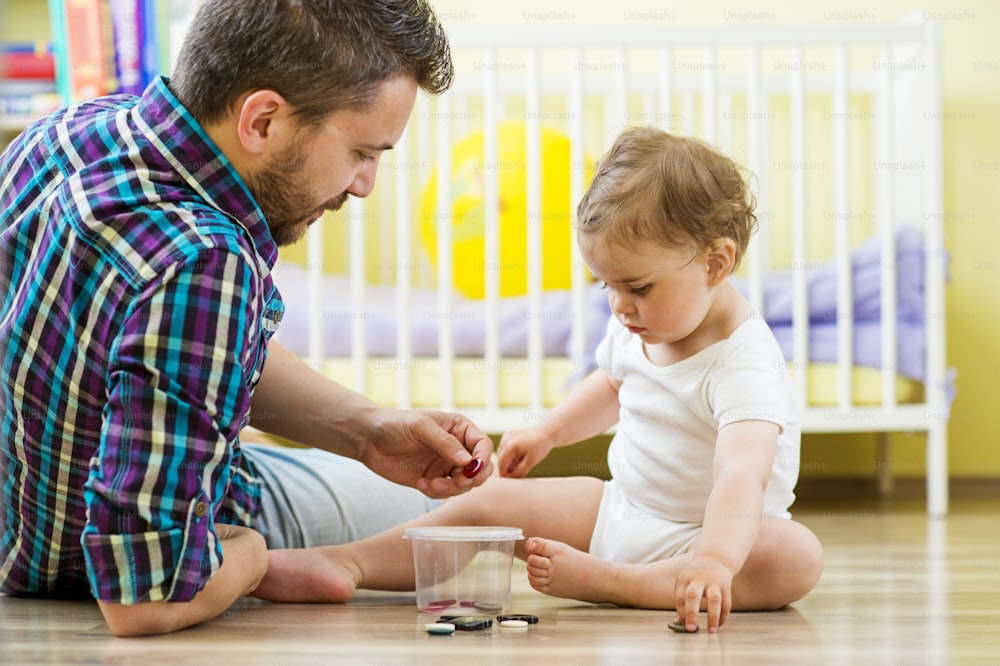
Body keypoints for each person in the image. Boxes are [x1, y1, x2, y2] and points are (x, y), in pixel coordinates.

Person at [0, 0, 496, 638]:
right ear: (262, 119)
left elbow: (168, 347)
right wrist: (253, 555)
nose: (365, 184)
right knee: (468, 515)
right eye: (362, 152)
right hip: (139, 552)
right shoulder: (206, 257)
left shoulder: (63, 133)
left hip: (20, 533)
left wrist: (367, 430)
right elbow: (145, 599)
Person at [252, 126, 825, 634]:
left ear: (716, 263)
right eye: (607, 286)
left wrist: (716, 561)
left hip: (702, 539)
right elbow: (612, 385)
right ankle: (349, 563)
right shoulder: (643, 324)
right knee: (490, 500)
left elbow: (742, 472)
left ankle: (614, 584)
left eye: (638, 287)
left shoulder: (743, 361)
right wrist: (549, 431)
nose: (621, 306)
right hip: (621, 512)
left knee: (794, 555)